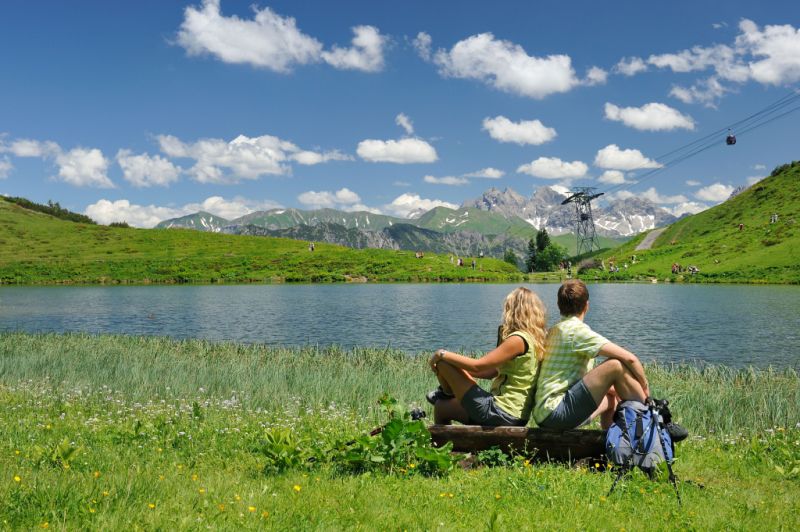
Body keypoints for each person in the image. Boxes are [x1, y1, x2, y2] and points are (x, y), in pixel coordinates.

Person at [533, 279, 650, 431]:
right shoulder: (577, 331)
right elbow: (630, 358)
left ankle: (612, 442)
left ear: (559, 305)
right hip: (557, 413)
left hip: (545, 414)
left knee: (610, 399)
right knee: (615, 365)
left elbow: (577, 380)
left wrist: (614, 389)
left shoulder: (554, 331)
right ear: (586, 306)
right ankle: (653, 418)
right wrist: (645, 388)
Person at [426, 287, 547, 426]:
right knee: (442, 407)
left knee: (443, 362)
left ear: (514, 311)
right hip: (514, 415)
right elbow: (489, 372)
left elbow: (478, 366)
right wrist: (455, 372)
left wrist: (441, 353)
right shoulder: (535, 340)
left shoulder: (518, 340)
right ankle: (444, 444)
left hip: (501, 411)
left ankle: (447, 393)